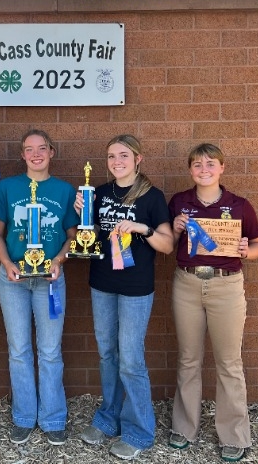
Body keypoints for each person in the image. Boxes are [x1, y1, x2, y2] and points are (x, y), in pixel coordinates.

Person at [76, 134, 174, 461]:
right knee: (107, 354)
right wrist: (81, 214)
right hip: (101, 283)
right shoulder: (100, 193)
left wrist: (142, 229)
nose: (116, 161)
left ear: (137, 159)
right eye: (111, 156)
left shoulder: (152, 196)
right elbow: (90, 236)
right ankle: (109, 418)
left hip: (136, 287)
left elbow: (167, 244)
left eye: (123, 155)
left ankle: (139, 431)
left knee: (131, 359)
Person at [167, 143, 258, 462]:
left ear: (222, 168)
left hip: (226, 286)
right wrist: (175, 228)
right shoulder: (180, 202)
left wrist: (247, 251)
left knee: (229, 362)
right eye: (197, 164)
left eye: (211, 163)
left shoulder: (239, 205)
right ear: (190, 169)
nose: (204, 169)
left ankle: (234, 435)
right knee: (188, 359)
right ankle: (184, 428)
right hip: (187, 284)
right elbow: (167, 245)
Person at [0, 129, 79, 446]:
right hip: (13, 280)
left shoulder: (64, 190)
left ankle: (53, 418)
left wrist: (59, 260)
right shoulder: (7, 188)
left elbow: (73, 236)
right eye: (29, 149)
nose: (36, 154)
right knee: (19, 350)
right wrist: (6, 263)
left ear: (52, 152)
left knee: (50, 351)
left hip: (50, 281)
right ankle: (24, 417)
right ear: (22, 154)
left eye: (42, 148)